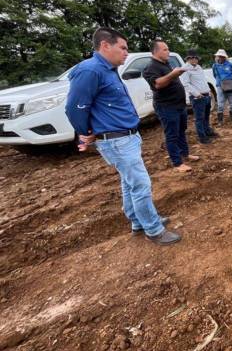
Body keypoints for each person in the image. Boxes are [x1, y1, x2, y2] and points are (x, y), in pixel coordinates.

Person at [65, 27, 181, 245]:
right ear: (105, 46)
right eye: (123, 48)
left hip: (125, 137)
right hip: (116, 140)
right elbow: (74, 107)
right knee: (141, 184)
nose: (127, 52)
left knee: (129, 183)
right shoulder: (90, 71)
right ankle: (153, 229)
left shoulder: (108, 70)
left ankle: (138, 221)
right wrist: (86, 131)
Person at [143, 39, 199, 172]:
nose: (168, 51)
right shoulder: (151, 67)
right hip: (167, 107)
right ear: (156, 51)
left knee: (181, 131)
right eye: (165, 49)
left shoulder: (166, 63)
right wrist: (173, 74)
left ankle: (185, 154)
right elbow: (157, 84)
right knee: (172, 134)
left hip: (179, 105)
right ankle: (177, 163)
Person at [180, 50, 217, 144]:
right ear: (188, 58)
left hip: (206, 94)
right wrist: (197, 94)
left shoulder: (198, 67)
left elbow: (203, 80)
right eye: (192, 57)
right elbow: (186, 84)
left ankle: (207, 131)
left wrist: (208, 91)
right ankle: (202, 137)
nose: (195, 59)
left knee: (206, 116)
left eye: (196, 57)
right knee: (199, 118)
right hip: (198, 97)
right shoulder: (185, 69)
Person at [211, 49, 232, 126]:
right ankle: (220, 121)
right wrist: (220, 82)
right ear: (217, 57)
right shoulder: (214, 66)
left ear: (225, 57)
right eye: (220, 56)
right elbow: (214, 75)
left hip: (230, 85)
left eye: (223, 56)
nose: (221, 58)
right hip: (220, 86)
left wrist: (227, 81)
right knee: (220, 104)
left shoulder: (230, 65)